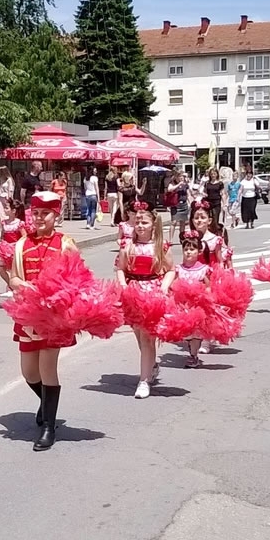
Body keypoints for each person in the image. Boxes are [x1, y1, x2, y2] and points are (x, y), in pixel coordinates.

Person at [5, 191, 80, 451]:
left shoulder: (65, 243)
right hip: (28, 315)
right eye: (35, 213)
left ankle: (48, 426)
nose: (39, 218)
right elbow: (13, 277)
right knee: (28, 371)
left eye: (45, 213)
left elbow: (77, 277)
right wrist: (22, 284)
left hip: (54, 317)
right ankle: (47, 403)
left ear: (56, 216)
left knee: (48, 369)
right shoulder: (21, 245)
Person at [115, 203, 173, 399]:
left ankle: (144, 380)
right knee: (140, 337)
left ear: (153, 225)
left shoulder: (160, 247)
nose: (140, 225)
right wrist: (123, 286)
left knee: (148, 337)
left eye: (144, 222)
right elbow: (121, 268)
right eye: (137, 222)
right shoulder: (127, 246)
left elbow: (171, 269)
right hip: (133, 293)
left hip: (153, 294)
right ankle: (151, 365)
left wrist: (164, 286)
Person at [173, 231, 209, 368]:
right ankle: (191, 351)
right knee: (187, 333)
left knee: (197, 333)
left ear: (199, 251)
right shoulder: (178, 269)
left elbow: (208, 287)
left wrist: (203, 294)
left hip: (198, 307)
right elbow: (173, 285)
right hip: (183, 306)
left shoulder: (204, 269)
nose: (188, 252)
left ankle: (193, 355)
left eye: (192, 249)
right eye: (186, 249)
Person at [166, 170, 189, 237]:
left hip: (184, 205)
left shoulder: (185, 184)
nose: (181, 178)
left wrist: (190, 202)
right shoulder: (172, 183)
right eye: (180, 176)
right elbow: (169, 189)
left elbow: (187, 194)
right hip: (175, 205)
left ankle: (182, 238)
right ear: (176, 177)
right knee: (174, 222)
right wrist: (179, 184)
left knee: (183, 222)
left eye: (182, 176)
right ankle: (170, 240)